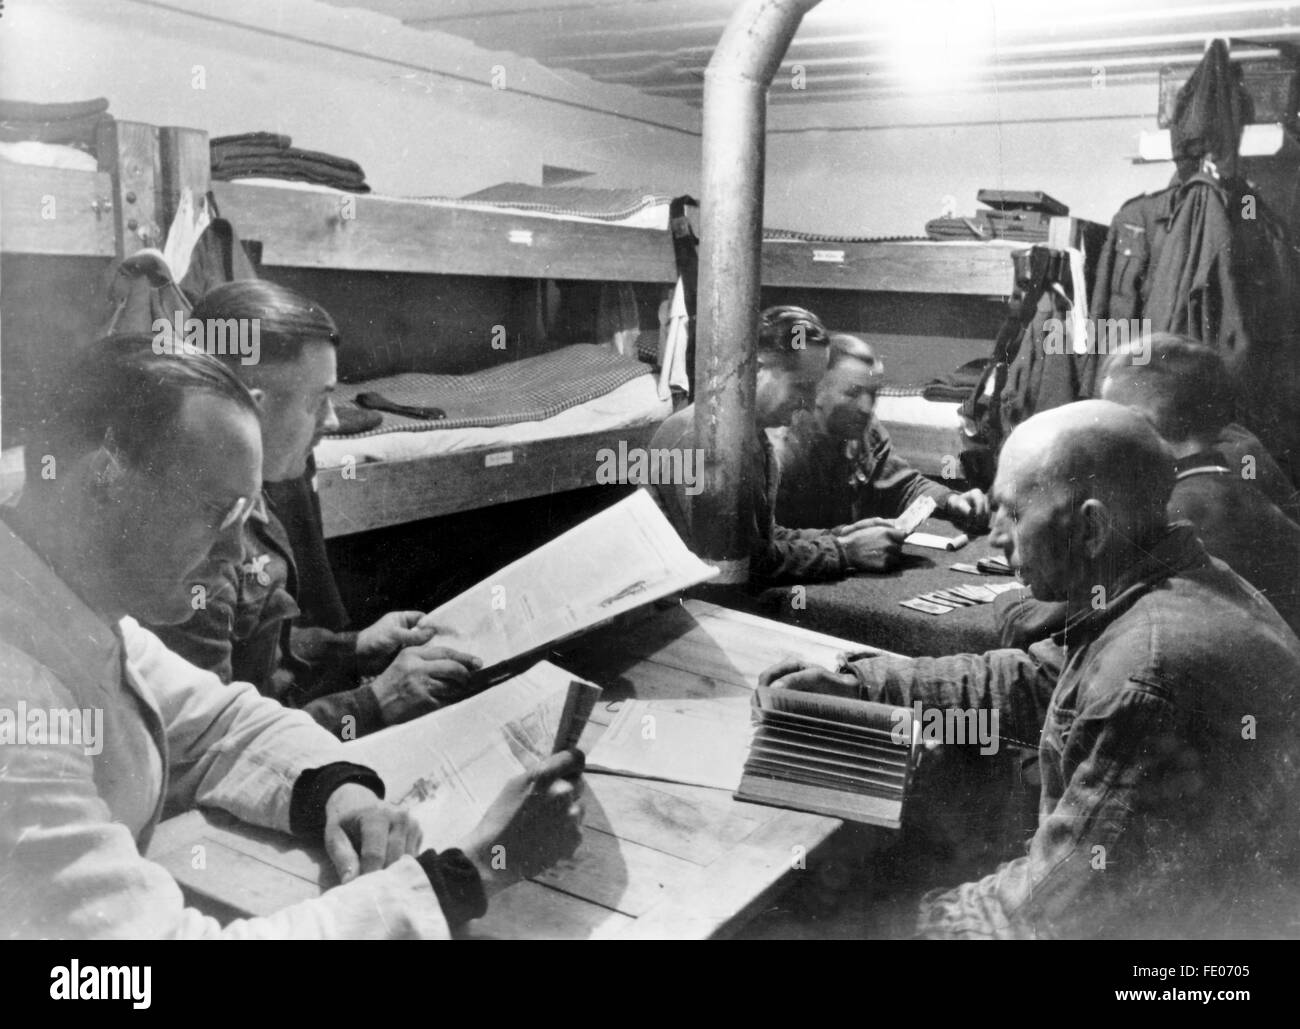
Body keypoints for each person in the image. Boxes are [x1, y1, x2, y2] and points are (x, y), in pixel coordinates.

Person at [0, 339, 583, 938]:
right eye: (217, 512)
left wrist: (334, 789)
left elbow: (222, 725)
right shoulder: (14, 696)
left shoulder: (67, 600)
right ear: (104, 481)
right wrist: (464, 878)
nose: (234, 550)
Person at [760, 400, 1300, 939]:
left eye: (1014, 513)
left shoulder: (1147, 675)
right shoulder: (1171, 584)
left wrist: (873, 926)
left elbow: (1044, 913)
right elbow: (1038, 679)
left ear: (1092, 528)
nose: (995, 537)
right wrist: (865, 683)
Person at [147, 281, 479, 739]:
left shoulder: (252, 493)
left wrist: (352, 646)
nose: (334, 421)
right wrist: (374, 702)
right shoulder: (194, 557)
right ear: (249, 406)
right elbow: (214, 745)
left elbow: (258, 647)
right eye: (317, 399)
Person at [995, 334, 1300, 644]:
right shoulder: (1233, 485)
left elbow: (1047, 624)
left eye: (1105, 417)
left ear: (1141, 423)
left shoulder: (1171, 514)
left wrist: (1005, 600)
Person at [648, 307, 906, 584]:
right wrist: (844, 551)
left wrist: (843, 536)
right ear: (757, 370)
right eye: (801, 386)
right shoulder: (701, 438)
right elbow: (740, 561)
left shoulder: (754, 436)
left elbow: (764, 537)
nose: (810, 401)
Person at [770, 332, 988, 534]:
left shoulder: (865, 431)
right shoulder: (781, 449)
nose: (867, 407)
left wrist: (950, 500)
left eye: (873, 393)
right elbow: (765, 547)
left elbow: (901, 485)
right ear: (816, 391)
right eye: (853, 393)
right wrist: (845, 547)